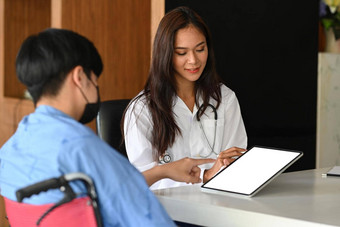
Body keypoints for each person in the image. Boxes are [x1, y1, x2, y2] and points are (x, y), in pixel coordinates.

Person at [0, 28, 214, 226]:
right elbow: (148, 217)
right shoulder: (82, 147)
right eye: (95, 79)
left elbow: (108, 187)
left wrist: (161, 172)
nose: (96, 87)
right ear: (80, 77)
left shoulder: (9, 152)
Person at [123, 6, 247, 190]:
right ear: (165, 54)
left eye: (200, 49)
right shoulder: (142, 109)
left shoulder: (225, 98)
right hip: (167, 211)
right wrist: (205, 176)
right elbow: (142, 179)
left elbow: (235, 162)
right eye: (182, 53)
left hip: (219, 207)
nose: (193, 60)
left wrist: (222, 170)